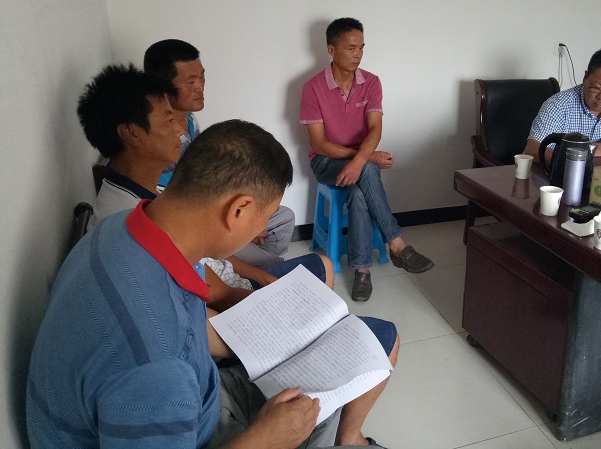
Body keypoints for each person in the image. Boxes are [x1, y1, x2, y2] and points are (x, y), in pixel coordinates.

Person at [27, 119, 399, 448]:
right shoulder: (157, 366)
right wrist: (267, 438)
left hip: (196, 399)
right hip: (202, 428)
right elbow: (161, 354)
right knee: (331, 393)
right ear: (238, 210)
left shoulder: (123, 228)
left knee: (327, 384)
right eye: (266, 217)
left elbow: (187, 326)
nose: (264, 229)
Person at [76, 64, 334, 306]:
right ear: (131, 132)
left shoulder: (141, 191)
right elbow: (201, 299)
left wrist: (261, 278)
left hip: (225, 280)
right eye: (168, 120)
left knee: (319, 263)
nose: (180, 131)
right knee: (321, 271)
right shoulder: (130, 221)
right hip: (219, 297)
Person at [300, 17, 434, 302]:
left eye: (361, 47)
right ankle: (397, 244)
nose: (358, 54)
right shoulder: (313, 88)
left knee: (360, 192)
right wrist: (365, 158)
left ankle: (362, 270)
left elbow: (375, 129)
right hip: (325, 162)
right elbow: (319, 144)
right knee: (368, 170)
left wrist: (360, 161)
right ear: (331, 49)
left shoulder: (371, 82)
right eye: (351, 48)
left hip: (360, 162)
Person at [143, 39, 295, 266]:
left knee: (283, 218)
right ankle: (250, 263)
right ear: (162, 85)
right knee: (275, 264)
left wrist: (246, 225)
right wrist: (240, 227)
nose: (200, 86)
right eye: (190, 81)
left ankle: (246, 255)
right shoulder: (154, 134)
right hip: (197, 215)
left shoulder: (190, 119)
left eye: (202, 77)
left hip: (213, 201)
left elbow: (205, 173)